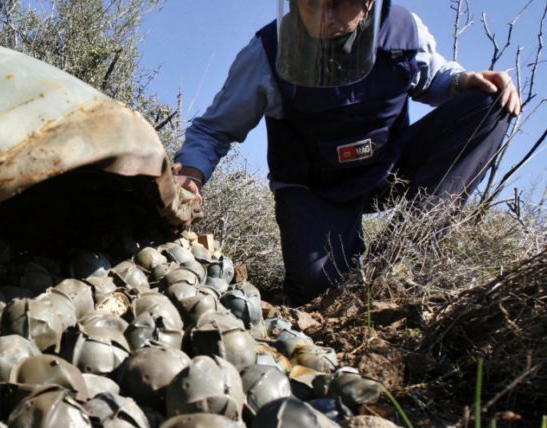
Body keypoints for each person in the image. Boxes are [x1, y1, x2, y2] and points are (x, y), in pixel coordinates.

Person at [173, 0, 521, 306]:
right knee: (318, 294)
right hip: (314, 188)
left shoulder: (403, 30)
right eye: (311, 4)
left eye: (339, 3)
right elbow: (214, 128)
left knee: (491, 103)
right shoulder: (267, 51)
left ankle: (403, 254)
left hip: (387, 168)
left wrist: (464, 79)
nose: (325, 18)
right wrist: (191, 174)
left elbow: (433, 78)